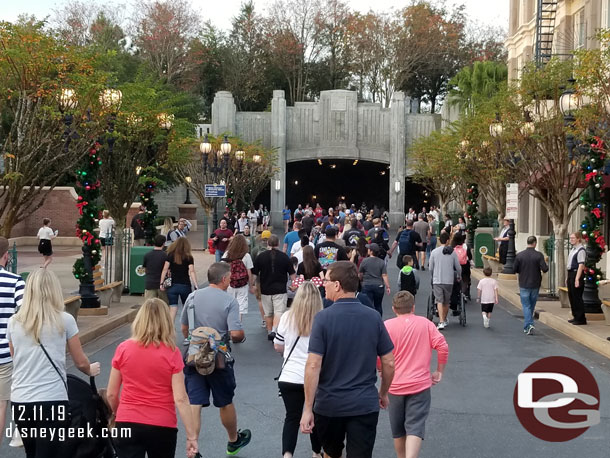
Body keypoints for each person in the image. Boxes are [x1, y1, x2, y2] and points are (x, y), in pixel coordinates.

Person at [300, 261, 395, 458]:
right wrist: (383, 392)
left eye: (326, 280)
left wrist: (308, 408)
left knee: (332, 452)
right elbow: (388, 361)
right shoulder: (373, 317)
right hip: (364, 402)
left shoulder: (323, 318)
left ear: (337, 285)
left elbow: (313, 365)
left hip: (329, 404)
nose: (322, 284)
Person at [7, 268, 101, 457]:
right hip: (52, 399)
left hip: (21, 400)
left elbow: (14, 356)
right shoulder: (64, 320)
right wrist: (90, 369)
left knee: (32, 452)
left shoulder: (14, 322)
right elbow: (80, 361)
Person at [107, 299, 198, 458]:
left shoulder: (123, 349)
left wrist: (117, 413)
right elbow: (181, 398)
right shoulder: (172, 352)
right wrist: (191, 436)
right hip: (162, 423)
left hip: (128, 420)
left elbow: (111, 394)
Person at [180, 262, 251, 456]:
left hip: (194, 356)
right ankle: (233, 440)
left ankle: (193, 447)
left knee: (195, 401)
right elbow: (236, 333)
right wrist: (239, 336)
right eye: (229, 277)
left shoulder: (192, 297)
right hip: (218, 358)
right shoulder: (229, 301)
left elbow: (184, 329)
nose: (230, 280)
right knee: (225, 401)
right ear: (223, 279)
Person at [384, 291, 448, 458]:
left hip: (394, 385)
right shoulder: (425, 324)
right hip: (420, 384)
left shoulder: (387, 326)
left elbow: (379, 355)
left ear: (393, 309)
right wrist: (439, 370)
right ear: (413, 307)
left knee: (398, 429)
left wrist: (381, 370)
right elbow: (443, 347)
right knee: (415, 426)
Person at [274, 283, 324, 458]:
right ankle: (317, 452)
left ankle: (287, 455)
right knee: (316, 416)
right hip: (315, 377)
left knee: (292, 417)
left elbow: (278, 346)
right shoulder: (322, 319)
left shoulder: (287, 317)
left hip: (289, 376)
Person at [0, 237, 24, 448]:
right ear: (6, 256)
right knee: (0, 404)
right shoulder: (15, 282)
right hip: (4, 354)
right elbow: (25, 315)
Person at [253, 234, 297, 340]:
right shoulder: (284, 257)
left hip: (265, 288)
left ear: (268, 243)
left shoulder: (261, 257)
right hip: (280, 289)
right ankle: (274, 330)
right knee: (279, 311)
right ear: (278, 244)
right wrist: (293, 285)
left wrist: (252, 285)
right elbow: (292, 274)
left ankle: (269, 331)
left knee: (268, 312)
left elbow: (254, 273)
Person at [512, 235, 549, 335]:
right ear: (535, 243)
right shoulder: (539, 255)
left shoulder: (520, 255)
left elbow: (514, 269)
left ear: (527, 243)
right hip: (535, 283)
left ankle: (528, 324)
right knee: (531, 305)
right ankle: (529, 323)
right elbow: (545, 269)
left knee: (526, 305)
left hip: (524, 282)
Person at [428, 231, 461, 330]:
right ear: (447, 241)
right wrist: (459, 276)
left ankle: (441, 321)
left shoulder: (434, 252)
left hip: (437, 280)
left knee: (439, 300)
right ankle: (444, 319)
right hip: (449, 280)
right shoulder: (452, 252)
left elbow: (431, 267)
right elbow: (458, 267)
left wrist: (433, 275)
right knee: (446, 301)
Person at [160, 237, 198, 322]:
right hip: (185, 285)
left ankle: (170, 329)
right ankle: (188, 327)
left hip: (172, 285)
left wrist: (161, 283)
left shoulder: (170, 255)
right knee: (187, 307)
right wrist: (196, 285)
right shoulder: (189, 257)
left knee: (173, 308)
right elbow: (192, 271)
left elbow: (165, 269)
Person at [222, 234, 255, 321]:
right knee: (240, 308)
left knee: (229, 305)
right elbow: (249, 272)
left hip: (230, 283)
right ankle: (237, 326)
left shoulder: (227, 254)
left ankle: (229, 325)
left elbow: (222, 269)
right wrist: (251, 286)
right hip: (242, 284)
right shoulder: (246, 255)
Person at [359, 243, 391, 315]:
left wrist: (361, 280)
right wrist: (388, 286)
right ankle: (378, 318)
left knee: (368, 305)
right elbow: (384, 275)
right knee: (378, 305)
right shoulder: (381, 262)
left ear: (371, 251)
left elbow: (360, 273)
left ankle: (369, 319)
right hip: (379, 285)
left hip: (367, 284)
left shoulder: (364, 261)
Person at [566, 232, 587, 325]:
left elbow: (581, 265)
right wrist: (568, 277)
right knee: (571, 296)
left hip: (576, 273)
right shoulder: (573, 249)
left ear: (578, 239)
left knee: (577, 296)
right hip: (571, 273)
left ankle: (581, 318)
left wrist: (577, 279)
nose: (571, 239)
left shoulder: (581, 250)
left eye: (573, 238)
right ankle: (575, 316)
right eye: (570, 238)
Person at [143, 234, 169, 303]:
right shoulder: (165, 256)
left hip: (150, 283)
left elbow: (145, 270)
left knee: (149, 306)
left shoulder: (147, 255)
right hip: (162, 284)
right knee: (164, 306)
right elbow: (168, 271)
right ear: (163, 243)